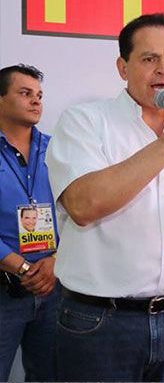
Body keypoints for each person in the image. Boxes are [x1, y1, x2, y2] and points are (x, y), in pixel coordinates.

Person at [46, 13, 164, 382]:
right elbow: (83, 206)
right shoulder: (85, 121)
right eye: (150, 59)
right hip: (100, 322)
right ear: (123, 67)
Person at [0, 64, 58, 382]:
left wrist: (55, 261)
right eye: (25, 93)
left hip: (54, 286)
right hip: (5, 288)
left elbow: (76, 211)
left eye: (39, 95)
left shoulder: (57, 148)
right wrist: (22, 268)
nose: (36, 101)